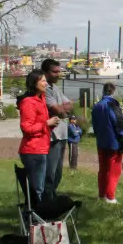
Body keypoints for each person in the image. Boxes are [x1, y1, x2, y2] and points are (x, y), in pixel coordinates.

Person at [18, 69, 60, 203]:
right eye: (43, 81)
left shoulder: (40, 100)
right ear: (34, 83)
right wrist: (46, 123)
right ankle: (33, 218)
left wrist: (51, 124)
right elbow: (26, 128)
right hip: (32, 150)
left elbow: (40, 125)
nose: (46, 83)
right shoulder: (29, 102)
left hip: (42, 148)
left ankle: (36, 217)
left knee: (39, 186)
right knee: (37, 189)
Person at [91, 82, 123, 204]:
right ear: (113, 91)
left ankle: (102, 195)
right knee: (114, 170)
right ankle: (111, 196)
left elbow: (95, 125)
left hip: (101, 141)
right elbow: (119, 123)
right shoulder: (113, 105)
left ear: (103, 91)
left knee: (103, 169)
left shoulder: (97, 106)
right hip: (114, 142)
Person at [41, 59, 73, 201]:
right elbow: (57, 111)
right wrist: (62, 109)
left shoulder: (55, 88)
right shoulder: (46, 89)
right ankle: (47, 201)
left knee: (58, 173)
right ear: (45, 73)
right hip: (53, 137)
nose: (58, 74)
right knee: (50, 173)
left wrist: (63, 108)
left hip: (62, 135)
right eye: (54, 72)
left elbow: (69, 105)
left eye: (59, 71)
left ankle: (52, 197)